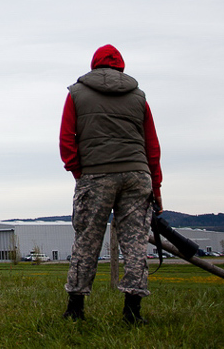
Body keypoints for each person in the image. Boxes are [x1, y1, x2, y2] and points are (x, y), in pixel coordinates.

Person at [60, 44, 163, 323]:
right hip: (137, 175)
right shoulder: (139, 97)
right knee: (136, 244)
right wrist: (157, 186)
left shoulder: (76, 94)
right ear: (121, 67)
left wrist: (79, 173)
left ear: (94, 65)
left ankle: (75, 309)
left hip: (95, 175)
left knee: (87, 241)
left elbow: (67, 139)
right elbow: (152, 146)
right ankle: (132, 311)